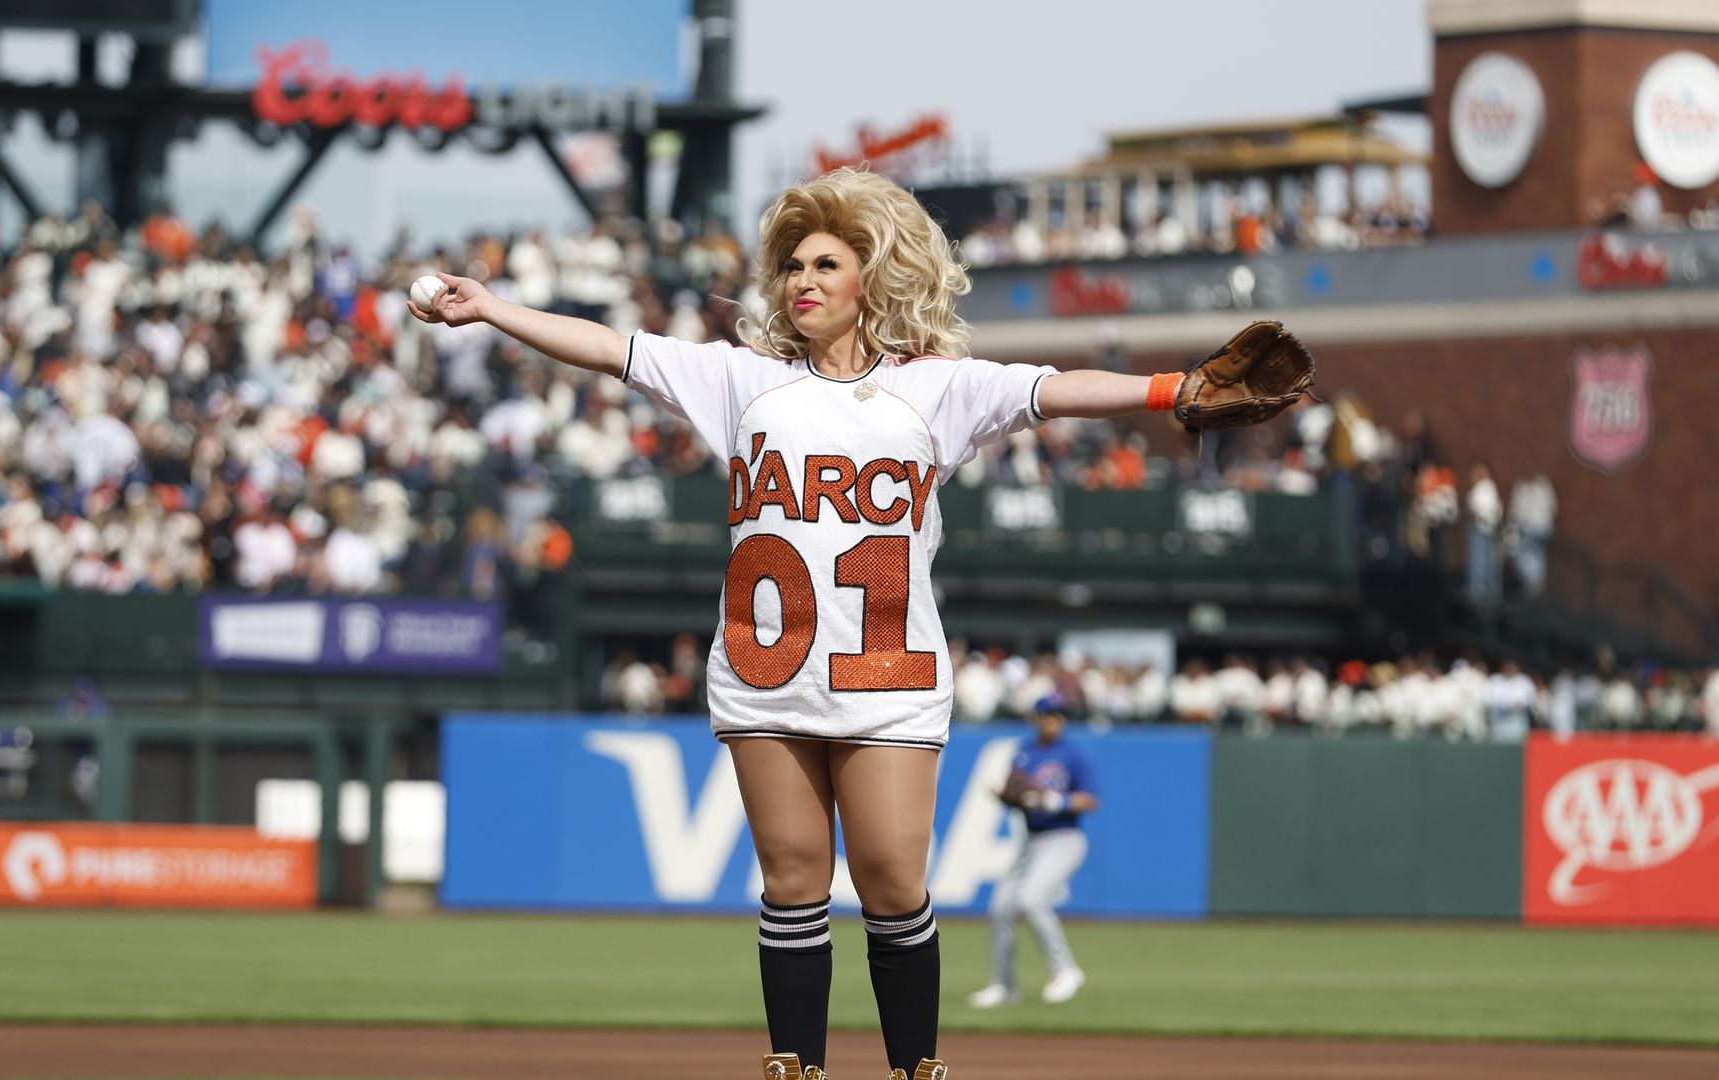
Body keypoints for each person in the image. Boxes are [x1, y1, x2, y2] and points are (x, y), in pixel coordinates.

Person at [412, 168, 1232, 1080]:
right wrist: (492, 309)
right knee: (794, 882)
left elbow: (1057, 388)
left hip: (887, 673)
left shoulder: (936, 388)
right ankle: (795, 1069)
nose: (803, 279)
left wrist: (1173, 389)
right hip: (768, 672)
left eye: (826, 263)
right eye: (794, 264)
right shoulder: (741, 381)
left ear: (869, 278)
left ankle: (913, 1070)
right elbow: (610, 348)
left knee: (890, 881)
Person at [968, 693, 1099, 1010]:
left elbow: (1091, 800)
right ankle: (1004, 986)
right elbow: (1020, 797)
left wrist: (1057, 801)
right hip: (1031, 841)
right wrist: (1006, 796)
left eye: (1059, 715)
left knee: (1031, 898)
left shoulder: (1073, 753)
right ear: (1035, 718)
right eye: (1049, 714)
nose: (1055, 720)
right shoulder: (1024, 752)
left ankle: (1065, 969)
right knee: (1001, 907)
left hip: (1064, 838)